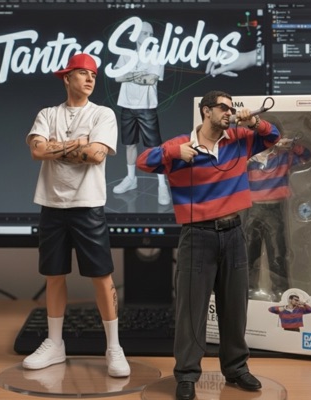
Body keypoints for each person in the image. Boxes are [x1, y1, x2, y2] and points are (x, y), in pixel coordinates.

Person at [137, 90, 281, 400]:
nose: (229, 112)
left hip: (234, 233)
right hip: (197, 236)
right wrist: (174, 153)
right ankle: (187, 375)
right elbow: (143, 162)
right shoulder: (182, 145)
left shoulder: (240, 139)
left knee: (235, 308)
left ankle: (236, 369)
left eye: (231, 108)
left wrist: (254, 122)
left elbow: (273, 137)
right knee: (191, 311)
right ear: (206, 111)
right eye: (223, 107)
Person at [22, 53, 130, 378]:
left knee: (102, 276)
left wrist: (59, 147)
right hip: (52, 205)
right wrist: (77, 144)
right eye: (82, 74)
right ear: (67, 78)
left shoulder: (103, 114)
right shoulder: (47, 114)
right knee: (53, 275)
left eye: (93, 75)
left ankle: (114, 347)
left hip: (88, 205)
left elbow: (96, 155)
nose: (89, 79)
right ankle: (55, 344)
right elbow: (37, 150)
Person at [245, 135, 311, 302]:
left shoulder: (283, 155)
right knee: (249, 251)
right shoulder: (250, 157)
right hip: (253, 208)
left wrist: (292, 145)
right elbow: (230, 169)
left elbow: (307, 157)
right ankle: (246, 289)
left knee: (277, 253)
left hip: (274, 208)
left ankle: (281, 291)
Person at [112, 21, 171, 205]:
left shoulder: (156, 55)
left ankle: (162, 184)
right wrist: (136, 76)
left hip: (147, 106)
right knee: (129, 144)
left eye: (151, 34)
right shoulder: (125, 54)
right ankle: (131, 179)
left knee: (154, 147)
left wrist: (129, 76)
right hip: (126, 105)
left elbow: (151, 79)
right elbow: (117, 77)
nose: (149, 36)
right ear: (136, 35)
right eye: (145, 33)